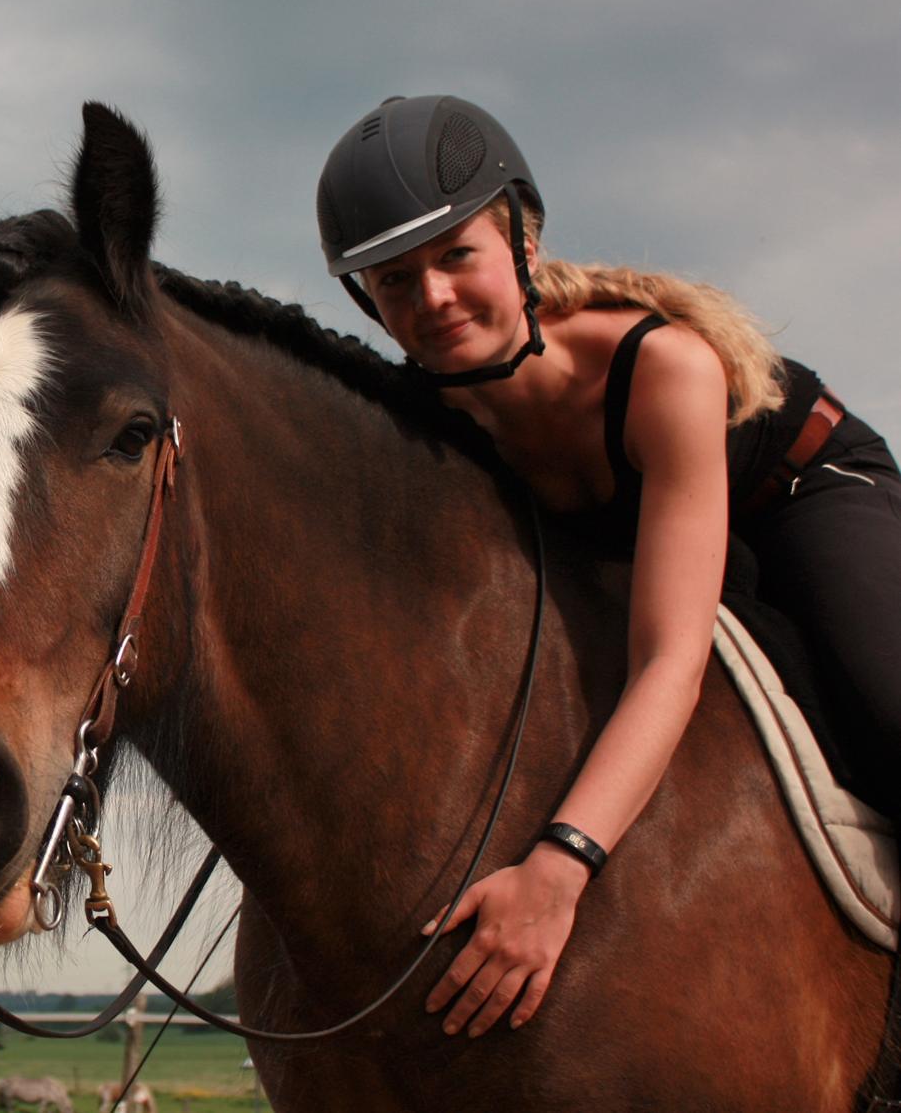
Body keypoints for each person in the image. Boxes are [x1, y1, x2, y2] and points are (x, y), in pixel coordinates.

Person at [316, 94, 901, 1040]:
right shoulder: (425, 417)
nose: (430, 300)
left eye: (455, 256)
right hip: (636, 541)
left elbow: (671, 654)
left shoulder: (664, 365)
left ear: (523, 242)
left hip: (800, 493)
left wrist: (561, 863)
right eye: (391, 282)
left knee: (887, 706)